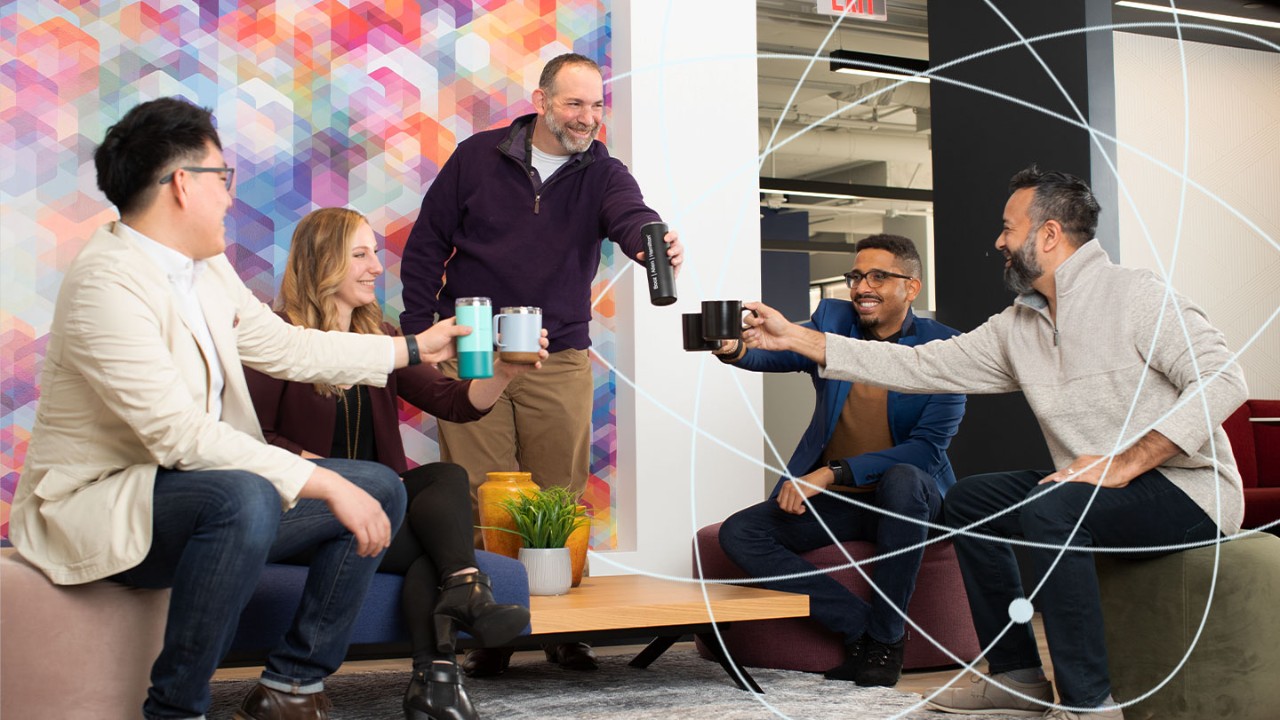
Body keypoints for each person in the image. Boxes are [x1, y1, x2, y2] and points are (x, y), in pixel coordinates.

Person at [7, 97, 472, 720]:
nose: (230, 196)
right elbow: (176, 434)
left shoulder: (206, 270)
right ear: (180, 185)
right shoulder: (105, 283)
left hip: (187, 493)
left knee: (381, 484)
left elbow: (284, 346)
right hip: (104, 502)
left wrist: (414, 346)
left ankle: (292, 687)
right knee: (245, 495)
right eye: (222, 179)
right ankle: (177, 708)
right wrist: (320, 480)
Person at [739, 166, 1248, 720]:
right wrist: (795, 337)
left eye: (1009, 228)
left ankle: (1089, 705)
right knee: (969, 501)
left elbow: (1223, 378)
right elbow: (915, 364)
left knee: (1054, 511)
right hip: (1089, 487)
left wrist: (1126, 462)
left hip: (1187, 490)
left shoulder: (1137, 296)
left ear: (1049, 235)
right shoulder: (1017, 326)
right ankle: (1016, 677)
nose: (999, 241)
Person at [399, 51, 684, 675]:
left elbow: (630, 218)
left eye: (596, 106)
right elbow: (425, 245)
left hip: (559, 352)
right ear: (542, 99)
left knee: (558, 495)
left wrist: (651, 241)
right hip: (474, 344)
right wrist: (421, 335)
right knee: (482, 493)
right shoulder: (479, 156)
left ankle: (562, 627)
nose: (586, 117)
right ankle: (493, 629)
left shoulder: (605, 174)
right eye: (574, 103)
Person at [245, 208, 547, 720]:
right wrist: (334, 477)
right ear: (323, 262)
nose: (375, 267)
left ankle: (457, 609)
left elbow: (455, 402)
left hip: (376, 511)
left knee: (445, 487)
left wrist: (505, 372)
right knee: (429, 536)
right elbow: (253, 438)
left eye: (374, 254)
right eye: (359, 254)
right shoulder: (277, 337)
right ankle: (441, 675)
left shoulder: (380, 337)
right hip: (308, 510)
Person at [713, 234, 965, 687]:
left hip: (913, 499)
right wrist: (734, 350)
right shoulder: (834, 321)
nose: (861, 286)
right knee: (741, 533)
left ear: (912, 287)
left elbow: (927, 449)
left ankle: (887, 643)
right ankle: (861, 628)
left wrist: (829, 473)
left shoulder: (946, 348)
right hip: (846, 504)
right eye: (856, 276)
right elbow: (779, 354)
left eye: (878, 276)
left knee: (904, 478)